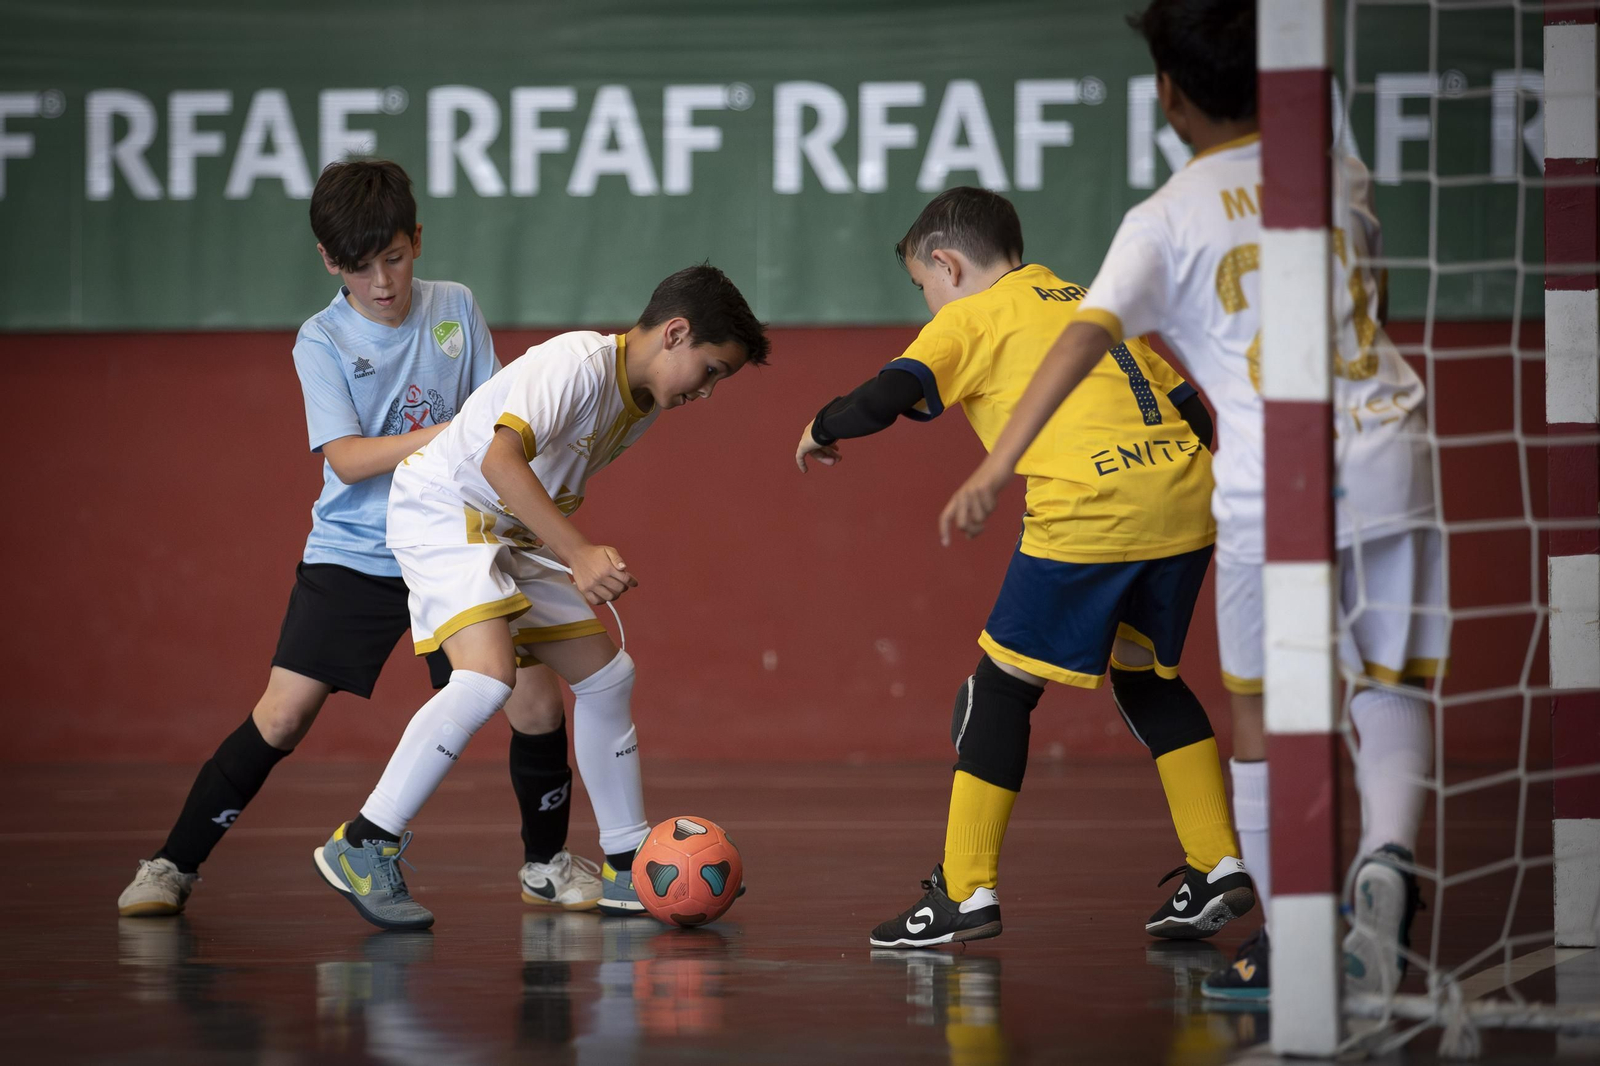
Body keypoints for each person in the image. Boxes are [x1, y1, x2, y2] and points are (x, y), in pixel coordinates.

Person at [940, 0, 1442, 1002]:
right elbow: (1373, 301)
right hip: (1395, 441)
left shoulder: (1165, 217)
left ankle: (1294, 934)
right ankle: (1386, 854)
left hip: (1275, 475)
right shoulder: (1339, 175)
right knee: (1386, 677)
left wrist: (997, 466)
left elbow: (1079, 340)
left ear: (1170, 96)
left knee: (1258, 708)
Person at [116, 160, 599, 918]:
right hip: (356, 553)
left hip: (452, 542)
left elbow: (501, 417)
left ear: (417, 240)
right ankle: (171, 865)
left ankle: (545, 863)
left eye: (396, 259)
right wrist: (455, 434)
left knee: (536, 702)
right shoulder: (321, 340)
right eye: (362, 267)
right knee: (282, 714)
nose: (383, 282)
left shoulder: (457, 308)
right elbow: (347, 457)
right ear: (328, 262)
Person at [795, 186, 1252, 949]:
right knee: (1147, 679)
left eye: (923, 289)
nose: (928, 307)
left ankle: (965, 894)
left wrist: (818, 426)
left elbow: (891, 394)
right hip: (1187, 496)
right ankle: (1219, 863)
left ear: (947, 263)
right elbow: (1192, 407)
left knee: (996, 693)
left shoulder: (972, 316)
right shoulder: (1087, 300)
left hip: (1091, 509)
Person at [314, 264, 770, 930]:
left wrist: (562, 550)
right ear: (676, 333)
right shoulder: (578, 362)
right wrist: (578, 553)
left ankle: (624, 865)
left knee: (609, 676)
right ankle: (363, 841)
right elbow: (501, 461)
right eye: (711, 371)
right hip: (445, 510)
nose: (707, 392)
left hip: (508, 530)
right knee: (486, 678)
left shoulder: (640, 404)